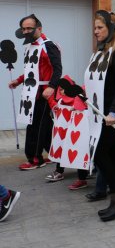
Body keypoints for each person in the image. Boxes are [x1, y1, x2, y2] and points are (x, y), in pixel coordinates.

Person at [85, 10, 115, 222]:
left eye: (100, 27)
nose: (96, 32)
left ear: (111, 28)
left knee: (100, 153)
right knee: (113, 153)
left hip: (114, 114)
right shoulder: (101, 51)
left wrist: (113, 112)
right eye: (95, 28)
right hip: (101, 113)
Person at [9, 14, 62, 170]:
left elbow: (57, 69)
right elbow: (30, 71)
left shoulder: (48, 45)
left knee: (37, 126)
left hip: (44, 93)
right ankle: (55, 153)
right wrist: (18, 81)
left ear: (39, 28)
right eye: (23, 28)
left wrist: (52, 87)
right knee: (43, 126)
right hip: (31, 92)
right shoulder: (29, 46)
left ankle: (35, 159)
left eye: (29, 28)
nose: (25, 31)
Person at [45, 75, 90, 190]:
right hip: (61, 132)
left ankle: (83, 176)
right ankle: (59, 171)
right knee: (61, 148)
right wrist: (53, 105)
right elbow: (51, 100)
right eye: (59, 89)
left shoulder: (79, 99)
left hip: (77, 132)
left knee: (80, 151)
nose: (61, 91)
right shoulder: (59, 100)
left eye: (62, 89)